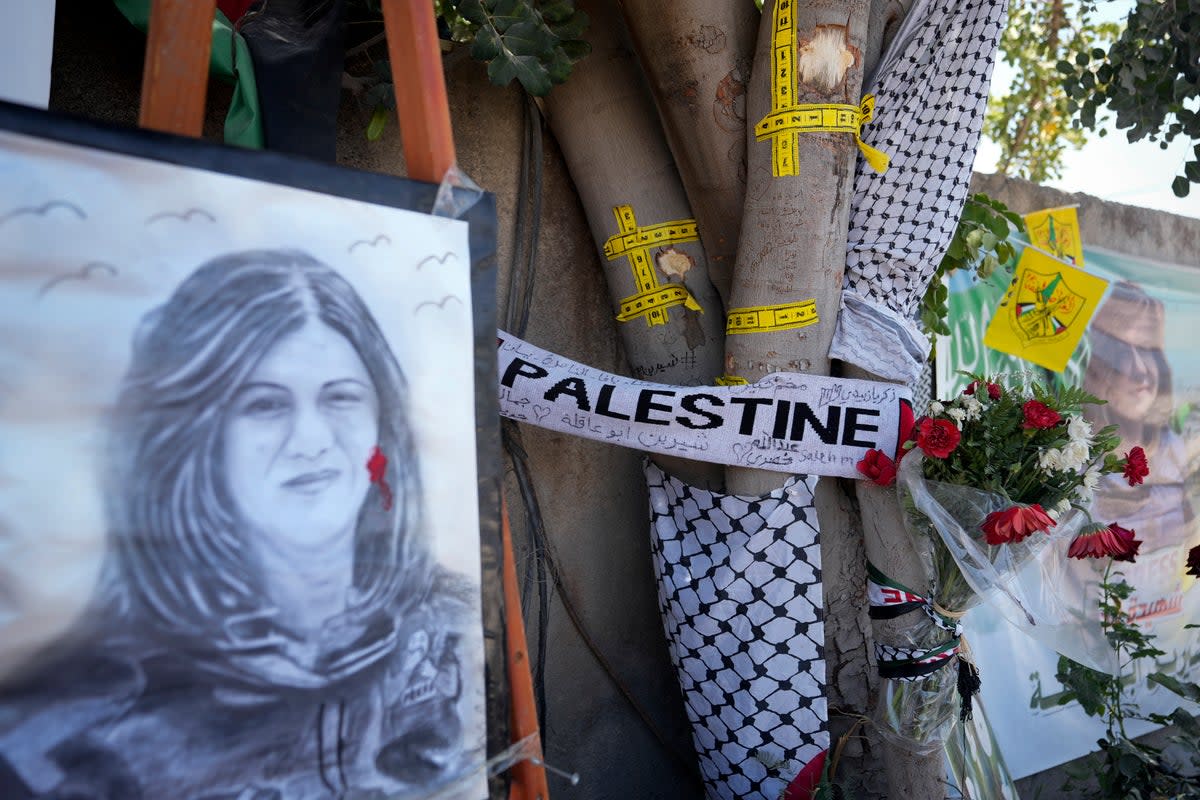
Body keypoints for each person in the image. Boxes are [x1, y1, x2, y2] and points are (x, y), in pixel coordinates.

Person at [0, 250, 478, 799]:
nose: (312, 440)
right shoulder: (85, 726)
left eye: (341, 398)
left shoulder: (455, 627)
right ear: (198, 439)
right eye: (265, 405)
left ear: (383, 423)